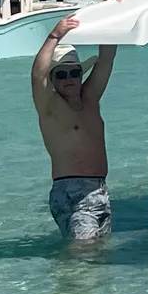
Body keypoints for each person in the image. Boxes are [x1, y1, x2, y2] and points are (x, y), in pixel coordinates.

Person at [32, 20, 117, 238]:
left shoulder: (90, 99)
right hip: (72, 192)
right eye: (61, 74)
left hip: (100, 191)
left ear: (81, 74)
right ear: (52, 79)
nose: (69, 79)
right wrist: (54, 35)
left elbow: (107, 60)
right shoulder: (51, 106)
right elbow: (37, 76)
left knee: (98, 256)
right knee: (82, 258)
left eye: (74, 73)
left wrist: (111, 15)